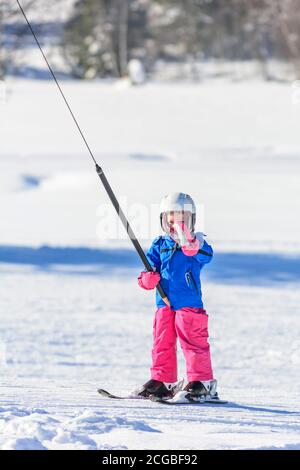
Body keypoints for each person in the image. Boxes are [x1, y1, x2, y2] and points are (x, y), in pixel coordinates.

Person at [136, 192, 218, 401]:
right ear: (164, 220)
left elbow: (207, 256)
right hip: (163, 303)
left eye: (182, 219)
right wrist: (147, 279)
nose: (176, 224)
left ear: (191, 219)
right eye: (171, 219)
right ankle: (163, 381)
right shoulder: (160, 244)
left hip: (188, 303)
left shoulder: (198, 243)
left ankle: (202, 382)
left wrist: (194, 246)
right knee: (162, 340)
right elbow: (147, 269)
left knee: (193, 341)